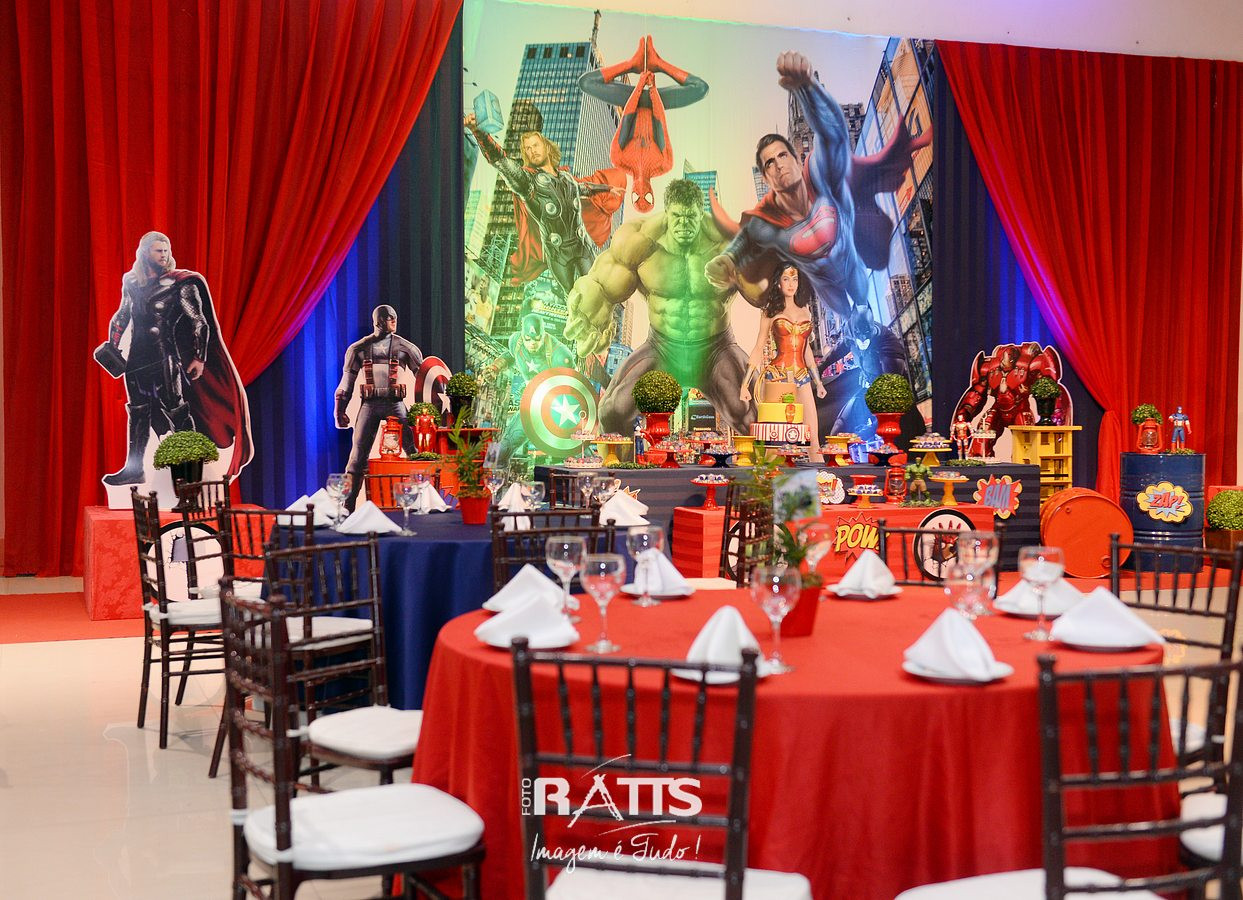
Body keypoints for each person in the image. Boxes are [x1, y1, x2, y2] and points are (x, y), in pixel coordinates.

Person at [705, 51, 929, 339]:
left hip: (851, 263)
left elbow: (833, 134)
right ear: (766, 177)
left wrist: (808, 87)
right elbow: (744, 240)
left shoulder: (820, 175)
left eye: (782, 155)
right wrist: (726, 260)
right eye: (769, 163)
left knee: (860, 302)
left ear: (795, 158)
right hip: (826, 287)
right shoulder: (768, 219)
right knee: (846, 312)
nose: (778, 165)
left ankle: (862, 314)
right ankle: (854, 326)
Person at [564, 178, 757, 434]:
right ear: (666, 212)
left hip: (715, 349)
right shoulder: (640, 241)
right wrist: (590, 312)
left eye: (691, 217)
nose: (684, 224)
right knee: (612, 411)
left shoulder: (728, 243)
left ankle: (764, 462)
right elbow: (601, 284)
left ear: (701, 214)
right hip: (662, 348)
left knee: (750, 415)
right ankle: (627, 460)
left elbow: (764, 291)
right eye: (677, 216)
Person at [97, 231, 251, 485]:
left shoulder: (182, 283)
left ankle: (190, 474)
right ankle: (134, 469)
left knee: (177, 410)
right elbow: (123, 314)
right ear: (145, 252)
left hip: (165, 357)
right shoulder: (132, 281)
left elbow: (199, 322)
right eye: (158, 250)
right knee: (137, 411)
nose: (164, 254)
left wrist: (199, 358)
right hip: (137, 358)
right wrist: (112, 346)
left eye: (166, 250)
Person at [464, 115, 623, 293]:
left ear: (546, 147)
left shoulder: (567, 178)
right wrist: (479, 132)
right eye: (527, 148)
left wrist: (608, 189)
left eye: (535, 145)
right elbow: (501, 161)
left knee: (596, 292)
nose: (532, 151)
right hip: (558, 255)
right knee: (573, 298)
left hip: (583, 247)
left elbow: (584, 188)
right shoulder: (528, 183)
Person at [578, 35, 708, 212]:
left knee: (586, 82)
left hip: (631, 99)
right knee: (701, 88)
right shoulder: (664, 164)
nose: (640, 193)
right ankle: (658, 63)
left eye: (636, 198)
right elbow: (660, 122)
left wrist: (640, 85)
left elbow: (627, 118)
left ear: (631, 195)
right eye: (647, 198)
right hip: (656, 102)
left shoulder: (618, 159)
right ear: (652, 194)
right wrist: (652, 89)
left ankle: (632, 64)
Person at [335, 305, 424, 511]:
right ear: (379, 321)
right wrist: (340, 409)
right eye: (389, 318)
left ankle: (423, 501)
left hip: (395, 403)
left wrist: (429, 409)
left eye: (394, 317)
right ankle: (347, 507)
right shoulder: (358, 349)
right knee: (357, 458)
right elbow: (346, 384)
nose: (394, 320)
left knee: (414, 452)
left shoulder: (406, 348)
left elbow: (425, 378)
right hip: (370, 404)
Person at [740, 263, 827, 461]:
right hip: (777, 377)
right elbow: (758, 348)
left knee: (812, 436)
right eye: (786, 279)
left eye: (794, 279)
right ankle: (769, 479)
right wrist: (745, 385)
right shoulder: (770, 312)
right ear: (778, 283)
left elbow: (806, 351)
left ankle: (820, 478)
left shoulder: (806, 311)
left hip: (802, 377)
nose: (791, 284)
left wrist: (818, 382)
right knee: (775, 439)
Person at [482, 314, 576, 467]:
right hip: (533, 402)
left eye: (537, 339)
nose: (532, 343)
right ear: (522, 335)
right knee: (502, 449)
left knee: (578, 447)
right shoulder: (515, 341)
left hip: (559, 405)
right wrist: (495, 367)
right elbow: (511, 355)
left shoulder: (561, 355)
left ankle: (599, 474)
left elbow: (572, 387)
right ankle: (484, 474)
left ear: (544, 334)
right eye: (528, 339)